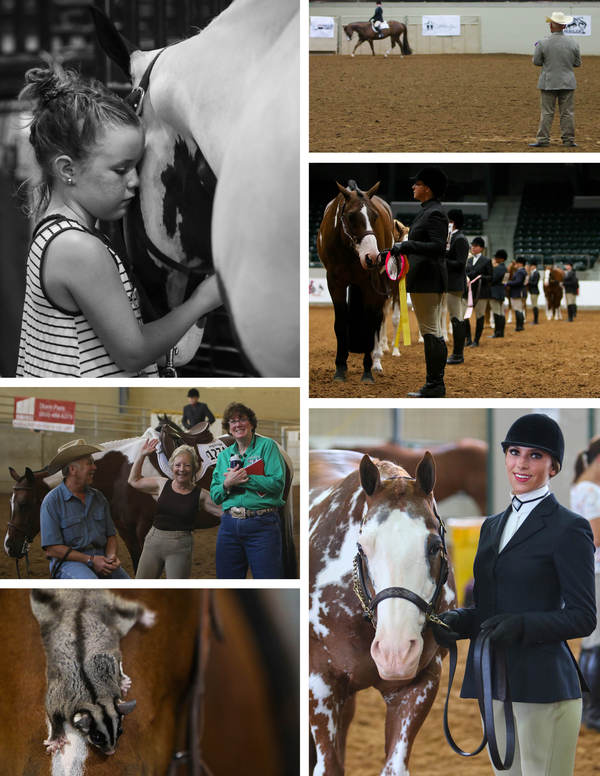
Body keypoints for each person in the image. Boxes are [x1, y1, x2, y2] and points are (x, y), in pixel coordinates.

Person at [16, 65, 221, 378]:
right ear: (67, 169)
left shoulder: (62, 234)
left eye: (136, 167)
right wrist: (203, 300)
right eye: (121, 169)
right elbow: (133, 353)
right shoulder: (77, 247)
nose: (135, 181)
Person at [432, 413, 596, 776]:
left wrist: (521, 625)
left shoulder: (569, 528)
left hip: (544, 685)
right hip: (494, 680)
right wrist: (461, 620)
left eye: (535, 455)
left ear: (553, 466)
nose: (521, 463)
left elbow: (584, 617)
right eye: (514, 452)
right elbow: (489, 608)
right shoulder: (490, 527)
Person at [389, 167, 449, 397]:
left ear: (428, 188)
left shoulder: (434, 214)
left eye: (418, 183)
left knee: (431, 331)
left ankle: (434, 384)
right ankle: (435, 383)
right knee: (433, 330)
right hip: (426, 277)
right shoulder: (428, 212)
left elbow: (437, 247)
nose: (413, 186)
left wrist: (406, 245)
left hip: (427, 278)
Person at [210, 402, 286, 578]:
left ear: (251, 423)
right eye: (233, 421)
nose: (238, 424)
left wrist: (245, 479)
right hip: (229, 525)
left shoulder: (267, 447)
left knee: (268, 580)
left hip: (262, 524)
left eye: (242, 419)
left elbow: (277, 484)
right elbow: (215, 495)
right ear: (228, 428)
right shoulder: (223, 456)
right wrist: (226, 484)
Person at [40, 439, 130, 579]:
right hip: (69, 563)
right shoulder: (52, 502)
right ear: (72, 469)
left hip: (101, 559)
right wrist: (90, 560)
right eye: (89, 463)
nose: (94, 467)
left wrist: (111, 556)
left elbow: (111, 536)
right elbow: (52, 549)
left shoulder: (99, 498)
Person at [129, 439, 200, 578]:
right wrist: (142, 455)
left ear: (193, 468)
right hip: (153, 542)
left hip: (180, 546)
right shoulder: (161, 484)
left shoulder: (200, 495)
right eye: (178, 465)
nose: (181, 469)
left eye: (187, 465)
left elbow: (223, 510)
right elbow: (134, 480)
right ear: (172, 466)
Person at [571, 436, 600, 732]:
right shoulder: (591, 491)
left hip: (592, 571)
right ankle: (593, 713)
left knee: (593, 642)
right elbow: (595, 538)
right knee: (595, 644)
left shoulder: (583, 486)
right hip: (597, 572)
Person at [529, 12, 581, 148]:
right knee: (567, 113)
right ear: (564, 26)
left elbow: (536, 61)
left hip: (549, 82)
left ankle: (543, 139)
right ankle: (569, 140)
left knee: (547, 112)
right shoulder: (574, 43)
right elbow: (577, 63)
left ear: (551, 26)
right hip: (567, 82)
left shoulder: (542, 43)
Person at [445, 208, 469, 365]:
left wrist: (442, 261)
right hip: (450, 284)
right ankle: (457, 353)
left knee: (457, 319)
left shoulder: (459, 239)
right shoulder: (451, 238)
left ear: (452, 222)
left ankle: (458, 354)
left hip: (455, 284)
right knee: (455, 318)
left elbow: (460, 264)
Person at [465, 237, 492, 348]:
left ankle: (476, 339)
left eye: (475, 246)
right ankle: (468, 339)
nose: (473, 247)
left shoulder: (486, 261)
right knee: (465, 316)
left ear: (481, 248)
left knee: (480, 316)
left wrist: (481, 277)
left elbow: (491, 277)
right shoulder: (469, 260)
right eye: (472, 245)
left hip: (481, 292)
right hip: (469, 292)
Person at [489, 249, 508, 339]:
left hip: (495, 292)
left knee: (496, 312)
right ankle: (501, 332)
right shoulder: (506, 269)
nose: (495, 258)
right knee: (501, 312)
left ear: (501, 259)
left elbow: (492, 279)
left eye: (497, 257)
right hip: (501, 292)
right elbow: (505, 282)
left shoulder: (497, 268)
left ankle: (497, 332)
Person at [506, 256, 528, 332]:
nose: (516, 264)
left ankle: (519, 326)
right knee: (519, 309)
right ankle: (519, 326)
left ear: (520, 264)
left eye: (517, 263)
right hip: (519, 292)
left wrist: (508, 283)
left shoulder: (520, 272)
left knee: (518, 309)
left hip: (517, 292)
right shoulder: (523, 271)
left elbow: (518, 282)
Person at [526, 259, 541, 324]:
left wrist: (528, 282)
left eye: (531, 266)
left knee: (535, 306)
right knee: (534, 305)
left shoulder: (536, 273)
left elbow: (535, 283)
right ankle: (535, 320)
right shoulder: (532, 273)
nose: (530, 267)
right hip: (532, 291)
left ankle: (536, 320)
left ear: (534, 266)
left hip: (534, 291)